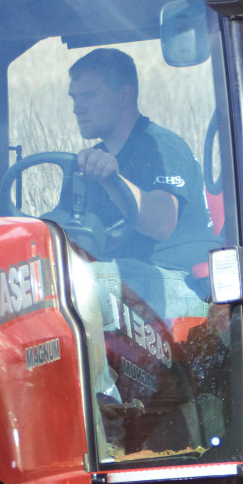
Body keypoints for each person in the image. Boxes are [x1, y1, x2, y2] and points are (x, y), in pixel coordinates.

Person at [67, 47, 215, 318]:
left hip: (183, 284)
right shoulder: (88, 163)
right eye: (74, 97)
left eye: (89, 95)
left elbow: (162, 223)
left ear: (125, 95)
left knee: (91, 284)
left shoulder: (161, 147)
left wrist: (113, 180)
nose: (77, 107)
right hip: (128, 278)